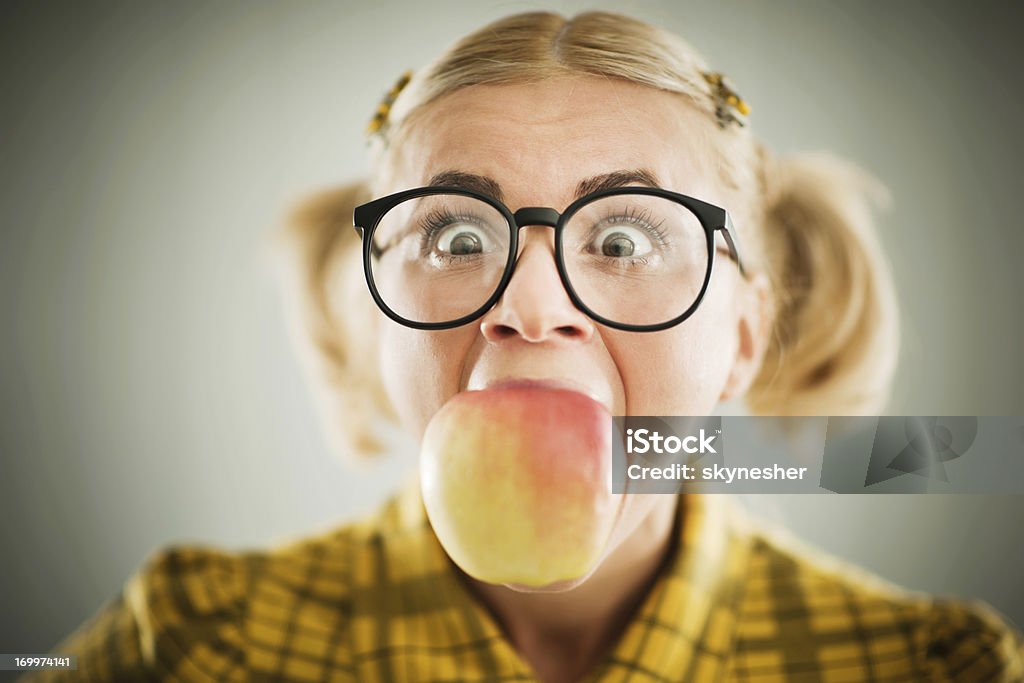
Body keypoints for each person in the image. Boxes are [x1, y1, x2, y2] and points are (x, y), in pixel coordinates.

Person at [25, 10, 1023, 683]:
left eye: (626, 238)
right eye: (457, 236)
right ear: (377, 317)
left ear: (742, 336)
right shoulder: (196, 641)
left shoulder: (929, 664)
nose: (531, 303)